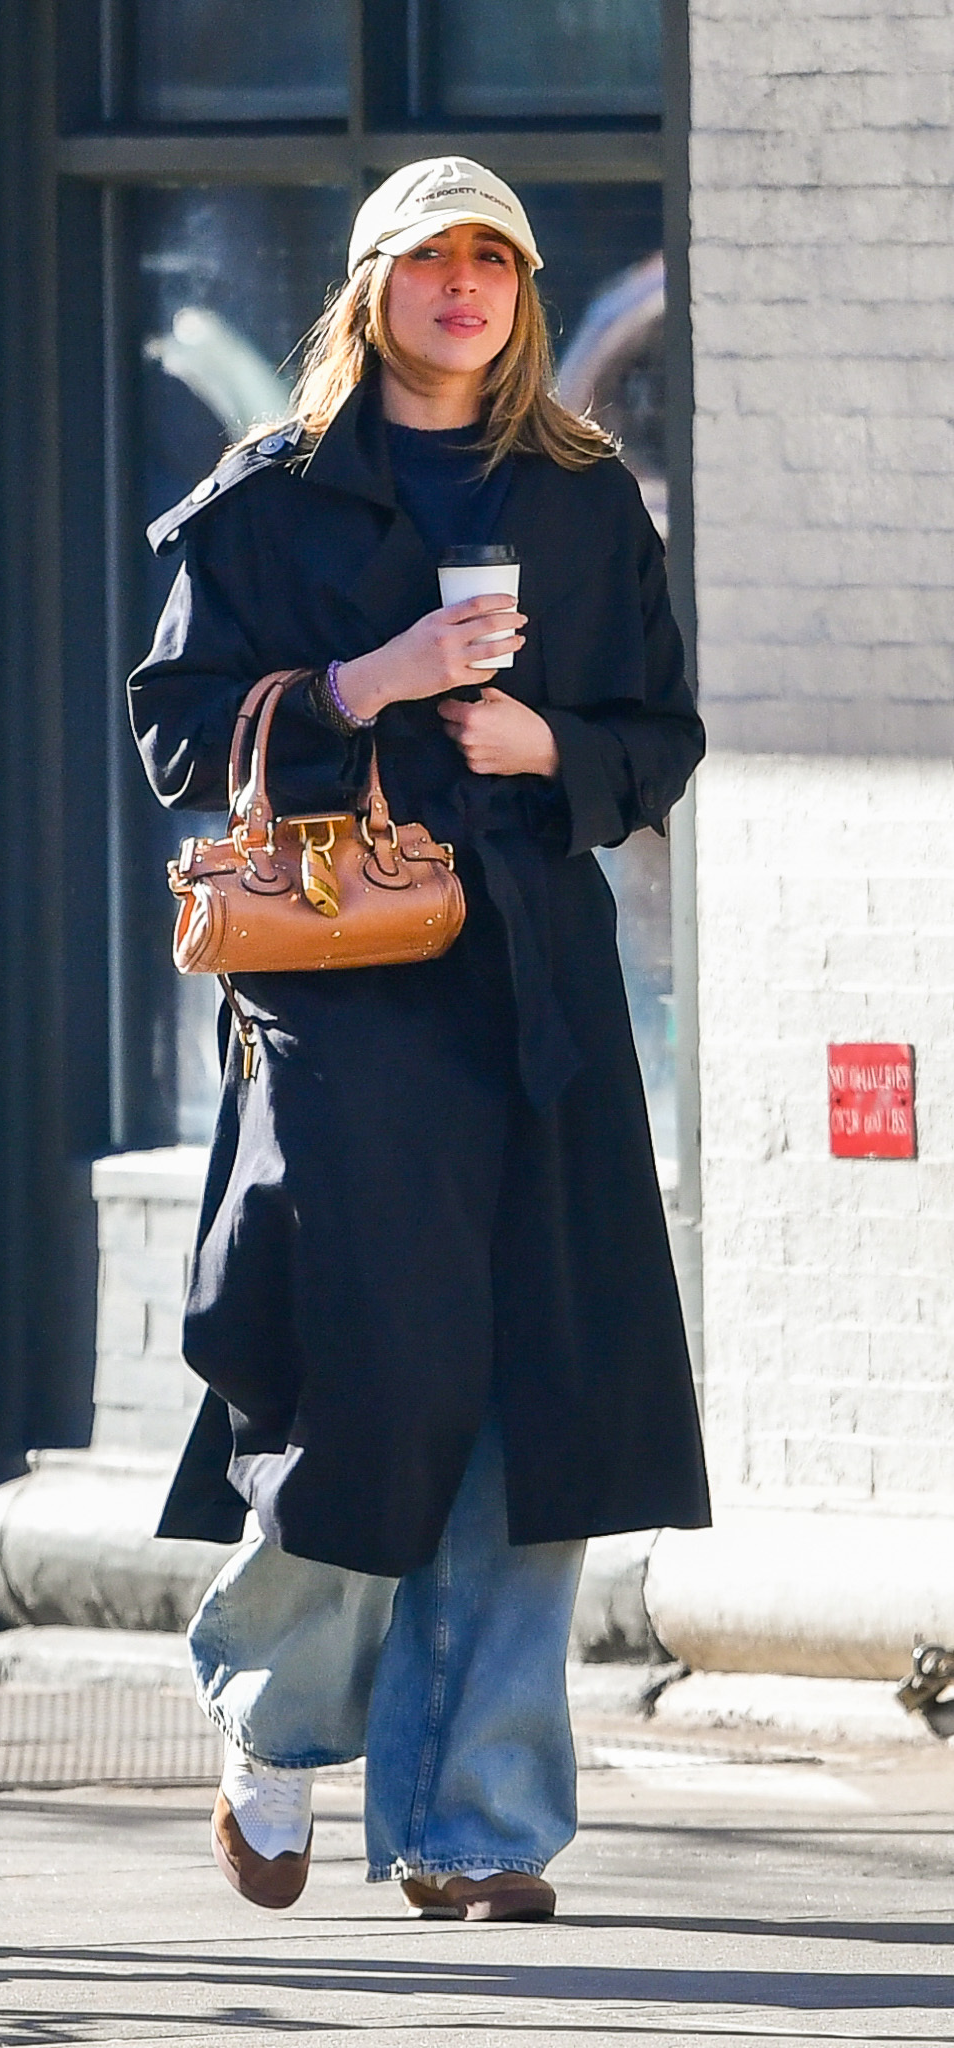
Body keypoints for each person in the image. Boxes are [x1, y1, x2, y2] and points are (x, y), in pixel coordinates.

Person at [129, 157, 709, 1922]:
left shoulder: (588, 499)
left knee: (543, 1405)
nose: (465, 287)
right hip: (345, 990)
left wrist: (559, 754)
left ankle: (480, 1821)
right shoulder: (268, 499)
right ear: (371, 286)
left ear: (524, 294)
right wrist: (366, 687)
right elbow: (173, 736)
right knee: (374, 1387)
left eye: (494, 261)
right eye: (430, 258)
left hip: (535, 985)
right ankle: (273, 1710)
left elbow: (658, 735)